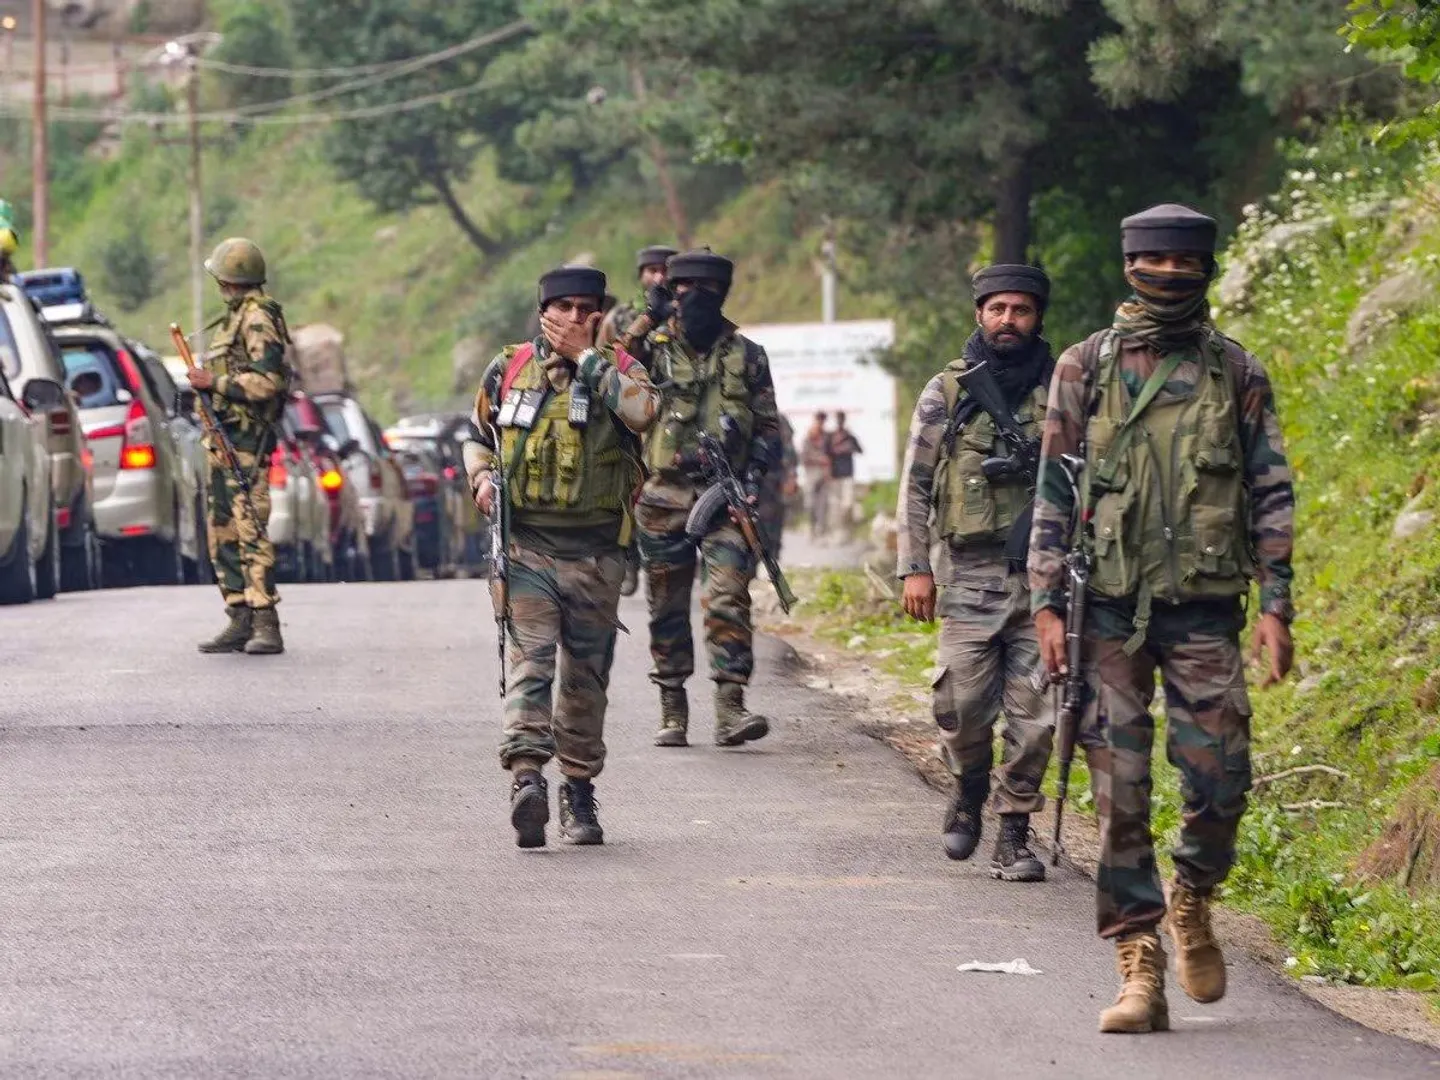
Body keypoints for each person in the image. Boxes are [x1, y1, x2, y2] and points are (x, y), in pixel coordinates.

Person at [1030, 204, 1295, 1034]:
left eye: (1187, 261)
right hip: (1105, 608)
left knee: (1222, 776)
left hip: (1207, 611)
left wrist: (1278, 605)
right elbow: (1052, 492)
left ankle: (1193, 899)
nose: (1171, 273)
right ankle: (1137, 962)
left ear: (1206, 267)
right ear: (1129, 265)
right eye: (1156, 259)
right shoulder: (1085, 368)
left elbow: (1271, 491)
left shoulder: (1235, 371)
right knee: (1121, 793)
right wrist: (1045, 601)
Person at [466, 265, 659, 848]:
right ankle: (527, 778)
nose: (577, 318)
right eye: (565, 308)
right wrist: (480, 479)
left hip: (597, 554)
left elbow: (644, 414)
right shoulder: (509, 368)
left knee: (585, 679)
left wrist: (590, 359)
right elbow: (478, 435)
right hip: (529, 547)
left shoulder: (621, 369)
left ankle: (578, 789)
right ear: (544, 309)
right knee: (531, 665)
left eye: (587, 308)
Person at [896, 264, 1056, 883]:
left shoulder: (1065, 389)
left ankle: (1013, 833)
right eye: (997, 309)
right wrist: (915, 567)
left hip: (1042, 580)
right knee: (961, 707)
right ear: (979, 314)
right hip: (967, 574)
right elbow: (915, 485)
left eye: (1020, 310)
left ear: (1037, 316)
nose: (1008, 320)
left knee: (1037, 716)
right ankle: (968, 787)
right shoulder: (950, 391)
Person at [631, 248, 781, 748]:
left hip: (725, 494)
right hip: (662, 496)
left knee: (728, 596)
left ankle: (730, 707)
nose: (696, 299)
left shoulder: (747, 353)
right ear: (671, 293)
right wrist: (645, 318)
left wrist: (755, 476)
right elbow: (605, 371)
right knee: (666, 606)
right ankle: (672, 707)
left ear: (723, 295)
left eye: (708, 291)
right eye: (684, 289)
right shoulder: (651, 349)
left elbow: (767, 425)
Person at [190, 237, 291, 656]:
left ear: (231, 280)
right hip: (224, 441)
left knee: (251, 530)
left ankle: (266, 622)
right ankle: (239, 616)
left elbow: (269, 382)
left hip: (246, 444)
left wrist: (214, 383)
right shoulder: (234, 319)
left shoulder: (256, 319)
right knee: (223, 532)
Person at [600, 245, 676, 597]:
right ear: (641, 274)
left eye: (665, 269)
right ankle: (628, 557)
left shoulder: (689, 315)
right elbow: (610, 359)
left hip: (676, 417)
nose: (658, 276)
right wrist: (648, 318)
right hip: (633, 416)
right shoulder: (621, 317)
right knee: (628, 491)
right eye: (651, 269)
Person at [756, 413, 798, 564]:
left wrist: (791, 476)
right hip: (753, 475)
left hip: (775, 476)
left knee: (774, 517)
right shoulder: (749, 414)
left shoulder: (779, 419)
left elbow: (789, 446)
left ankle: (772, 558)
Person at [825, 410, 864, 539]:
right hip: (835, 474)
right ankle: (836, 531)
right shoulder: (831, 437)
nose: (840, 421)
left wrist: (849, 447)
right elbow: (826, 453)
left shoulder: (849, 436)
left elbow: (860, 450)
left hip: (847, 474)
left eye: (842, 419)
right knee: (835, 505)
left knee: (847, 504)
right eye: (838, 419)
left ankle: (846, 528)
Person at [801, 411, 831, 540]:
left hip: (824, 474)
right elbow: (804, 456)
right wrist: (819, 458)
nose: (821, 422)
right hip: (812, 473)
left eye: (823, 420)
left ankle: (821, 531)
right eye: (819, 419)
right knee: (811, 504)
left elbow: (830, 455)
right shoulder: (809, 436)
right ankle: (811, 529)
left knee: (823, 504)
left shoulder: (826, 437)